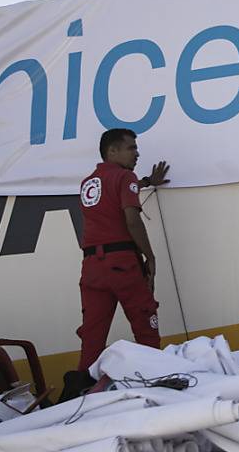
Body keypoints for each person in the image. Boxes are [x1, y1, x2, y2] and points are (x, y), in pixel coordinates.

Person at [76, 128, 170, 371]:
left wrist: (147, 182)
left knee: (92, 337)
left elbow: (116, 191)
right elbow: (132, 220)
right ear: (112, 150)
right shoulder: (125, 177)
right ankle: (155, 379)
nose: (137, 154)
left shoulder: (89, 182)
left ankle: (84, 389)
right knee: (145, 325)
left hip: (92, 267)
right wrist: (149, 256)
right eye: (131, 148)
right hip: (122, 263)